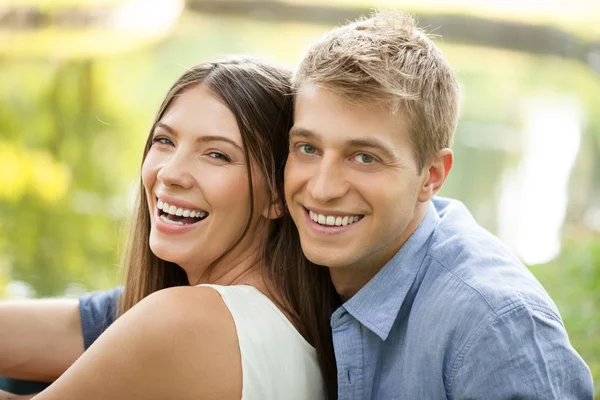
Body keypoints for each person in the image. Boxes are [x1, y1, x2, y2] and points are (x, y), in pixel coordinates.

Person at [1, 10, 594, 400]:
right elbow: (100, 323)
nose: (322, 186)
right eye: (307, 148)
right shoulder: (312, 266)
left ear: (431, 176)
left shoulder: (490, 323)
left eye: (365, 157)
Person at [0, 56, 337, 399]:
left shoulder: (189, 320)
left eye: (217, 155)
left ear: (277, 196)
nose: (170, 173)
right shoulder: (291, 318)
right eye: (165, 141)